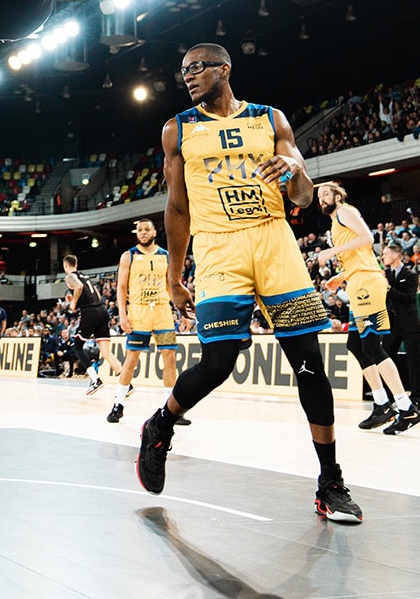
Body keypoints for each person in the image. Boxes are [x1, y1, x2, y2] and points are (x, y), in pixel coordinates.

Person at [136, 43, 362, 524]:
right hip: (218, 244)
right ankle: (160, 425)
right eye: (184, 71)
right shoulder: (177, 129)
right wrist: (175, 277)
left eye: (198, 68)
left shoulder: (271, 119)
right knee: (219, 362)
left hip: (274, 239)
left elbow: (301, 198)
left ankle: (330, 482)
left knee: (308, 363)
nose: (189, 77)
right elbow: (178, 209)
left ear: (225, 69)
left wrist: (296, 171)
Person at [315, 183, 420, 436]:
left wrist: (333, 250)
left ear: (338, 196)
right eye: (319, 195)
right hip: (356, 281)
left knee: (372, 346)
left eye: (326, 193)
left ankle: (406, 407)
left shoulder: (345, 211)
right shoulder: (335, 222)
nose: (321, 198)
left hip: (368, 283)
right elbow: (360, 254)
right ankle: (382, 404)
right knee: (356, 344)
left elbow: (368, 238)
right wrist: (341, 276)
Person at [107, 219, 187, 426]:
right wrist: (122, 315)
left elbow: (172, 287)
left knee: (170, 358)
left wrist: (182, 313)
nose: (143, 233)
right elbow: (122, 287)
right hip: (139, 312)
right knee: (131, 359)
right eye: (140, 230)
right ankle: (118, 403)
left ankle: (171, 409)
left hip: (162, 312)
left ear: (154, 232)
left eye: (146, 229)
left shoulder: (166, 256)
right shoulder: (129, 255)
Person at [62, 253, 119, 395]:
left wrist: (73, 303)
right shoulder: (85, 275)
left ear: (65, 265)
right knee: (106, 352)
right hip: (102, 310)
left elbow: (79, 287)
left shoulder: (70, 276)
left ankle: (95, 379)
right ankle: (127, 384)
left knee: (77, 346)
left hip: (90, 312)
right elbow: (98, 295)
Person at [380, 241, 420, 405]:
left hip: (409, 323)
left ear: (396, 255)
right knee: (385, 358)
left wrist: (390, 290)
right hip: (391, 323)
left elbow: (410, 298)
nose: (383, 256)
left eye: (386, 253)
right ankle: (389, 395)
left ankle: (416, 397)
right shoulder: (385, 274)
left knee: (413, 362)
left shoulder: (411, 275)